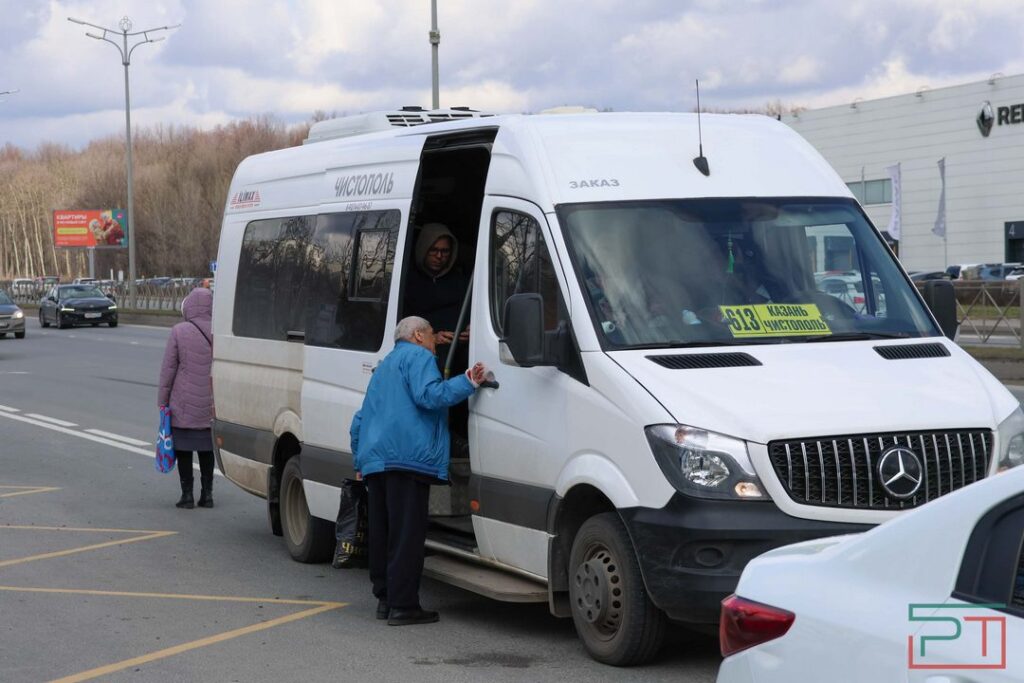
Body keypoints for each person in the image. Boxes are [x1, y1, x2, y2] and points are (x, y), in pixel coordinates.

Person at [349, 316, 486, 626]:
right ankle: (403, 605)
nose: (435, 342)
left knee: (383, 533)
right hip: (407, 459)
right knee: (407, 536)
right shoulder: (419, 357)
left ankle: (385, 599)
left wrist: (360, 460)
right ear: (419, 335)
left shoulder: (384, 366)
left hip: (376, 461)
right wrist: (469, 381)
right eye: (431, 336)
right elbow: (431, 396)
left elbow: (359, 419)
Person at [158, 287, 215, 509]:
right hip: (210, 403)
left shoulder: (179, 331)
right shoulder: (219, 332)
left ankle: (187, 495)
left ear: (188, 305)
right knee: (206, 449)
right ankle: (208, 495)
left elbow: (168, 369)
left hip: (183, 404)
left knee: (183, 450)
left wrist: (163, 401)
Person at [402, 223, 471, 346]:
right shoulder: (405, 282)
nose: (439, 256)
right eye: (433, 250)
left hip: (460, 352)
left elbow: (472, 311)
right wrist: (432, 338)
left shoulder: (461, 281)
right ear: (423, 249)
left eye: (445, 251)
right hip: (423, 353)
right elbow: (401, 331)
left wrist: (471, 327)